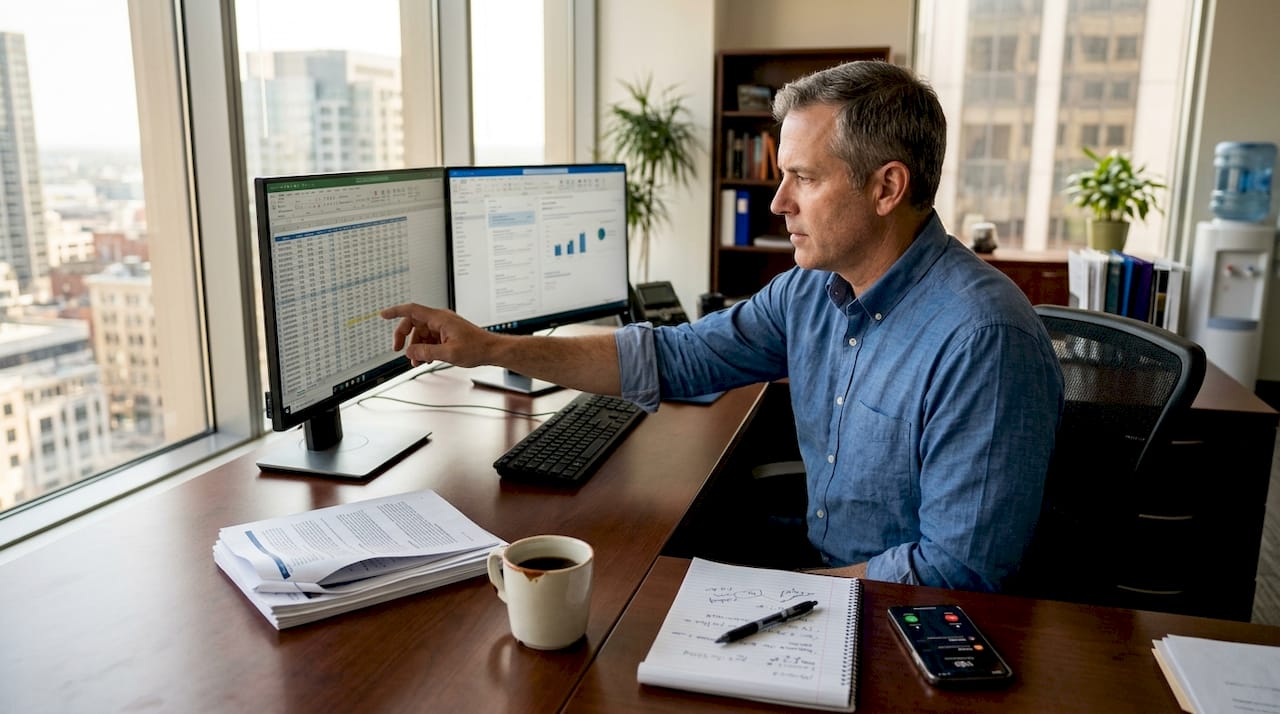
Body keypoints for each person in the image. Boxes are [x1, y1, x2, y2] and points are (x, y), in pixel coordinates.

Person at [380, 60, 1064, 593]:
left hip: (904, 623)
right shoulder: (809, 293)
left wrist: (775, 597)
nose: (778, 202)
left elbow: (959, 574)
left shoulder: (983, 339)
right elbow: (671, 357)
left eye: (803, 177)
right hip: (831, 576)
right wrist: (486, 347)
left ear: (887, 188)